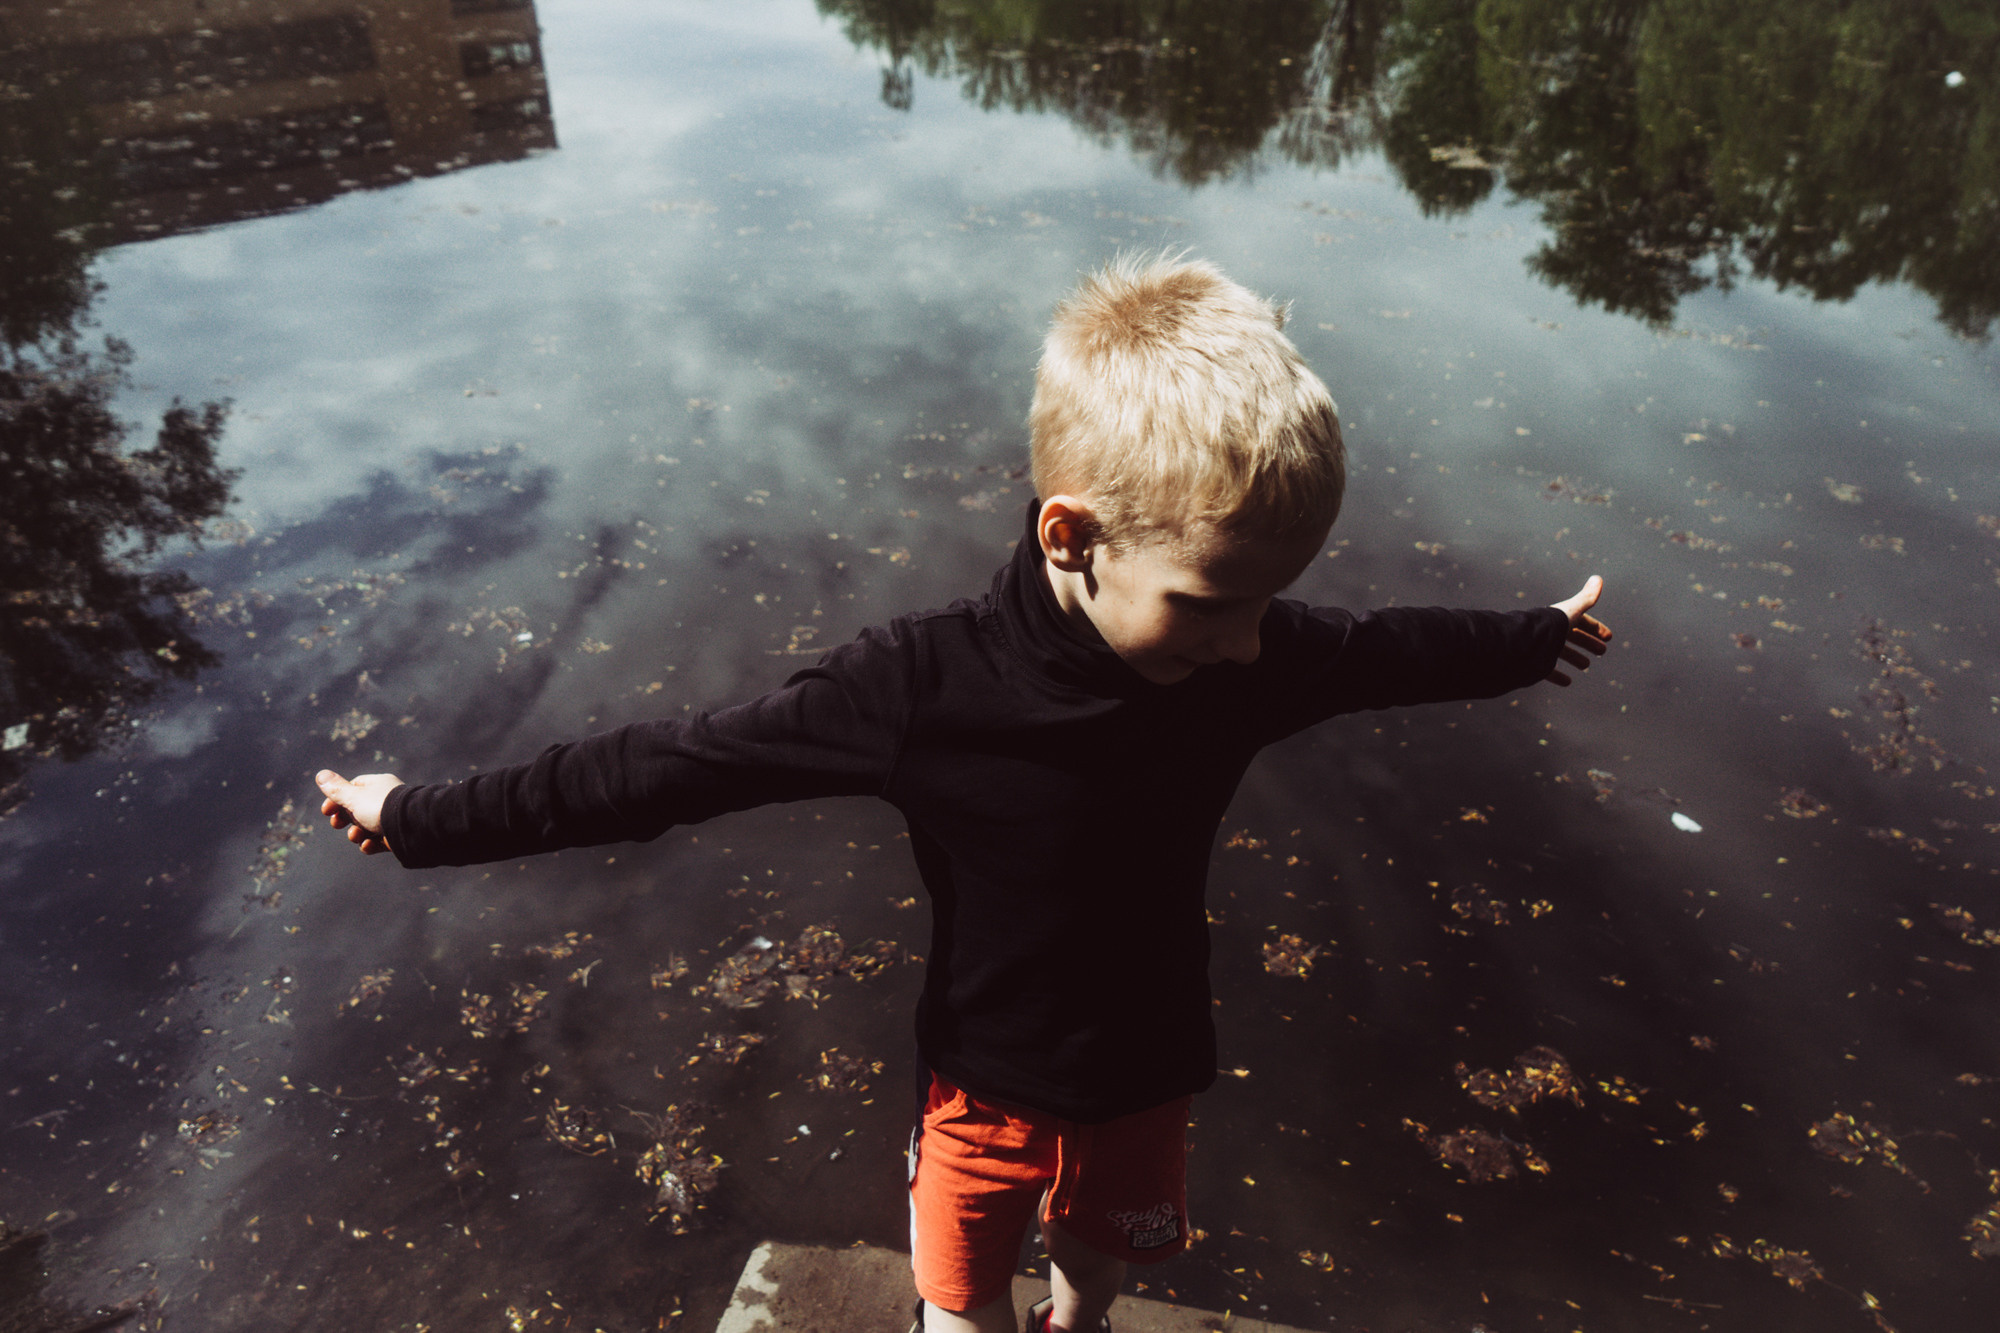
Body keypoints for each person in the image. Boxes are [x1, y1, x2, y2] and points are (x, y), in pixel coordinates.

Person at [316, 255, 1610, 1333]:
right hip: (981, 1081)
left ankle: (1080, 1316)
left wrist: (1530, 636)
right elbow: (670, 767)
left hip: (1149, 1063)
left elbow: (1391, 648)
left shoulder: (1242, 655)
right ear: (1071, 536)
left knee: (1103, 1265)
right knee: (955, 1298)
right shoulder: (923, 687)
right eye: (1214, 607)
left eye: (1270, 604)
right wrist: (421, 813)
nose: (1254, 644)